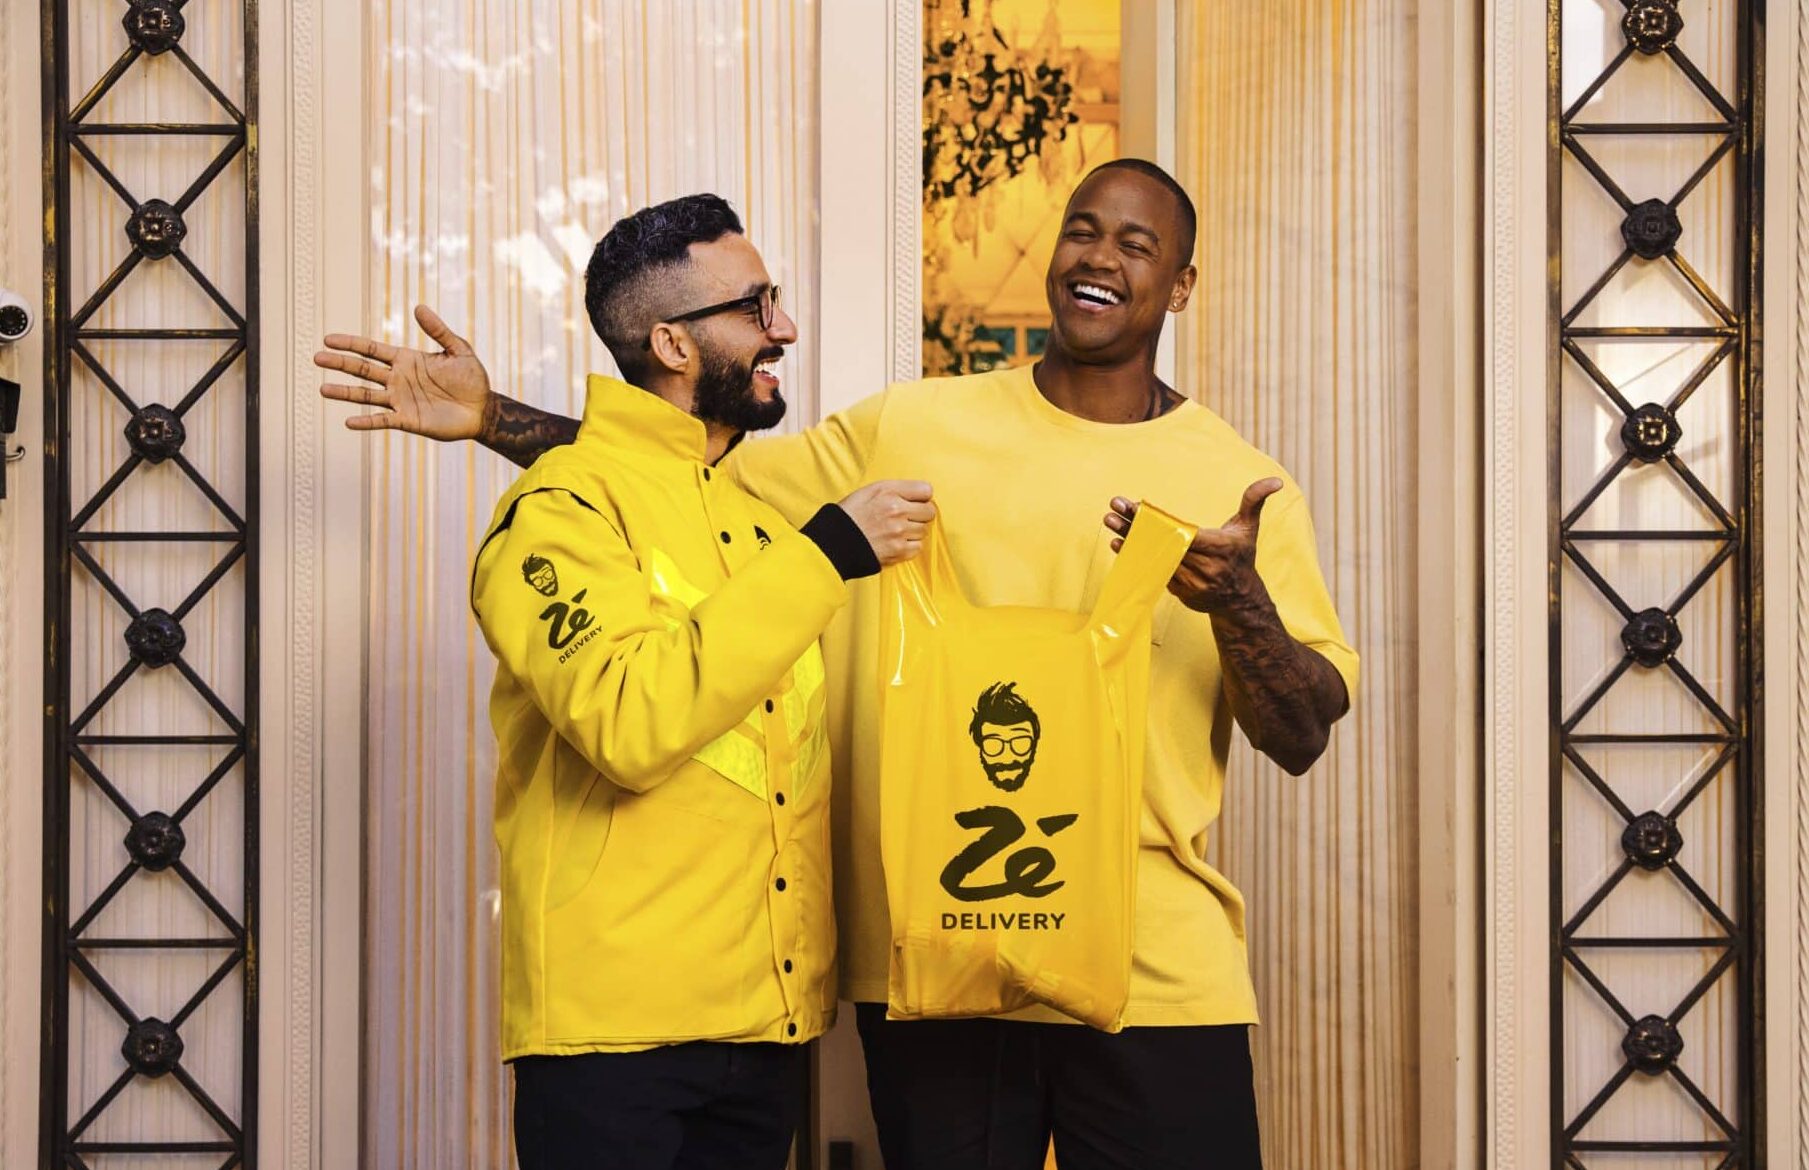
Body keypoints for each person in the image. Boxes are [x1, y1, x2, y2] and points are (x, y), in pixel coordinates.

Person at [319, 160, 1357, 1170]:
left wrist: (1238, 603)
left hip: (1156, 969)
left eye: (1136, 244)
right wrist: (493, 417)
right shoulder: (910, 426)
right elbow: (685, 479)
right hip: (933, 957)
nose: (1098, 256)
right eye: (1080, 230)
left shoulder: (1236, 482)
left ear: (1180, 284)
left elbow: (1302, 734)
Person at [322, 193, 935, 1170]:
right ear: (673, 344)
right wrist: (825, 554)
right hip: (616, 1048)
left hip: (766, 1032)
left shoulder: (755, 522)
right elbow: (628, 723)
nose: (783, 327)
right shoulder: (557, 515)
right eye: (755, 305)